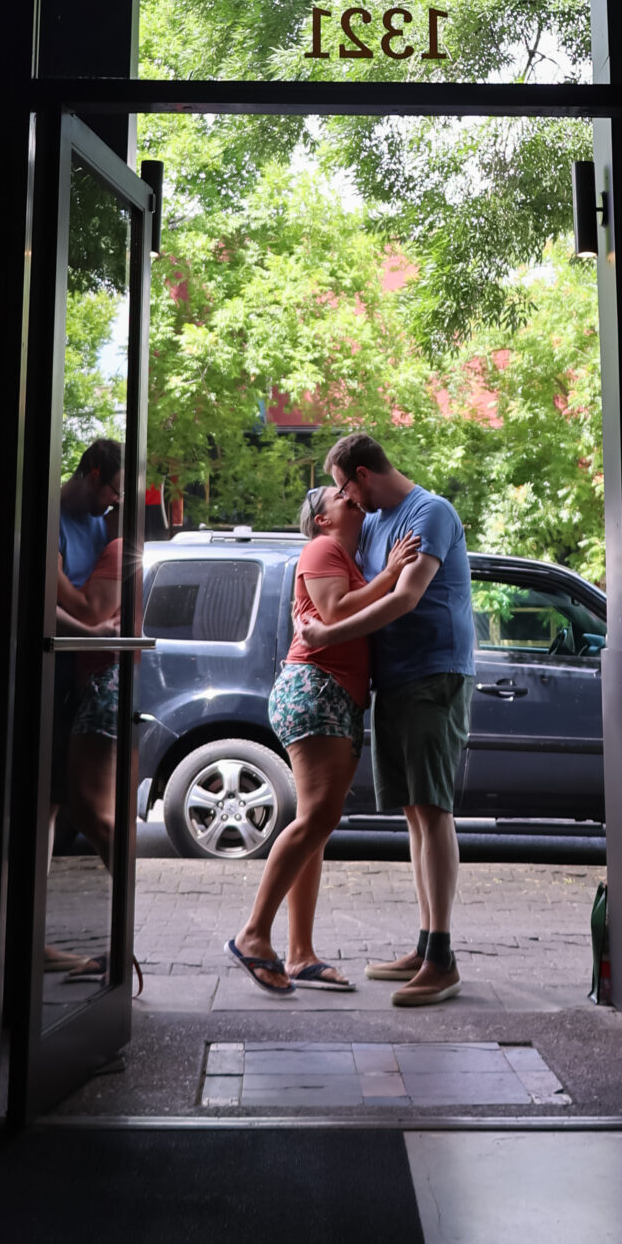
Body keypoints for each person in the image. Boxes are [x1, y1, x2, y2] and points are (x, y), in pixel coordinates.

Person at [226, 479, 421, 994]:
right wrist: (392, 576)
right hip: (316, 689)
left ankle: (300, 954)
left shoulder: (346, 557)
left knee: (316, 826)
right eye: (337, 495)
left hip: (335, 694)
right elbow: (335, 612)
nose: (347, 495)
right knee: (317, 819)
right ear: (322, 519)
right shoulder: (322, 548)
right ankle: (253, 935)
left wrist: (381, 576)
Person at [322, 430, 476, 1007]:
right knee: (415, 813)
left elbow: (406, 596)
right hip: (394, 681)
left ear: (362, 475)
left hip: (434, 676)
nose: (345, 500)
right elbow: (366, 586)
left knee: (433, 810)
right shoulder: (375, 524)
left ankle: (443, 959)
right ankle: (425, 943)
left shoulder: (429, 512)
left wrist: (328, 634)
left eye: (344, 487)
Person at [44, 441, 124, 978]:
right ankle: (31, 938)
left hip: (80, 676)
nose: (115, 501)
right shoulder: (49, 516)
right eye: (114, 489)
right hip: (50, 669)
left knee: (62, 803)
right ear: (93, 473)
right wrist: (91, 631)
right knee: (50, 805)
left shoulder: (102, 526)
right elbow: (49, 601)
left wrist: (90, 626)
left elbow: (84, 601)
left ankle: (39, 935)